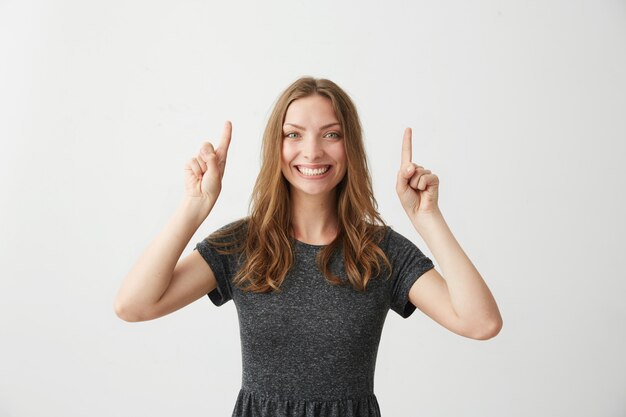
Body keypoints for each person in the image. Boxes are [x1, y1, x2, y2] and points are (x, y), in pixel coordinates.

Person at [114, 76, 503, 417]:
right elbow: (134, 305)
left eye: (331, 134)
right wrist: (194, 206)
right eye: (294, 134)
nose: (312, 152)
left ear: (350, 146)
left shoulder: (381, 251)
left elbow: (480, 322)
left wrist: (427, 219)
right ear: (276, 146)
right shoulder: (243, 245)